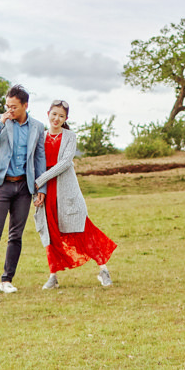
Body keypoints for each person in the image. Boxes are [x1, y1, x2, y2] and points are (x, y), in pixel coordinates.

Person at [33, 99, 116, 289]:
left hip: (66, 191)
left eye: (61, 116)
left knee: (83, 229)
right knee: (50, 233)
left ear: (66, 119)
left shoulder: (70, 136)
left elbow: (64, 163)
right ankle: (53, 276)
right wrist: (39, 189)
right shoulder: (40, 136)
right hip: (46, 192)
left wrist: (40, 180)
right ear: (48, 113)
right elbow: (36, 163)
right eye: (54, 114)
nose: (56, 118)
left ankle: (103, 269)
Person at [0, 84, 47, 296]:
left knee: (16, 236)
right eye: (7, 105)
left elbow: (39, 158)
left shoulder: (37, 127)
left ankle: (7, 280)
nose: (10, 110)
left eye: (14, 107)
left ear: (25, 105)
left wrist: (40, 187)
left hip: (24, 188)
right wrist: (1, 121)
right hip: (1, 185)